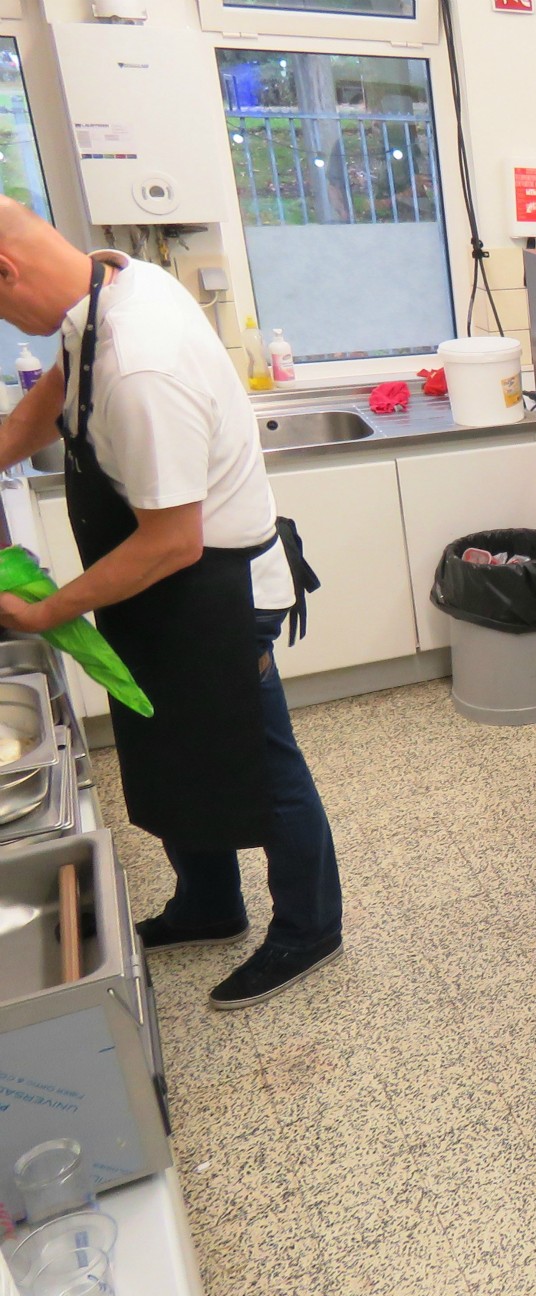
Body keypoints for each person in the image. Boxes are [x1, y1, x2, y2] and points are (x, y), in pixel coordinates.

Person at [0, 202, 339, 1008]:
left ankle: (309, 927)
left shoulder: (140, 359)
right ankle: (210, 905)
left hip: (209, 589)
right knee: (170, 744)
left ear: (6, 272)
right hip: (157, 592)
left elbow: (171, 542)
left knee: (259, 760)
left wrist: (47, 613)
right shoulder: (109, 283)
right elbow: (54, 390)